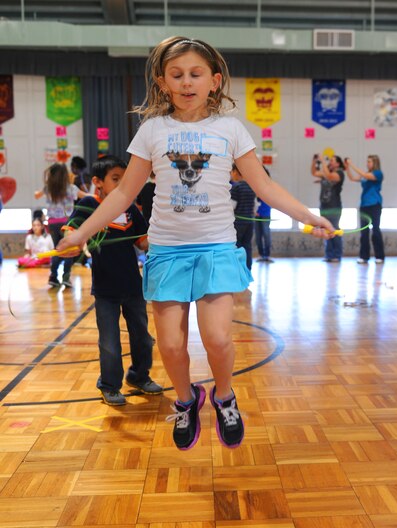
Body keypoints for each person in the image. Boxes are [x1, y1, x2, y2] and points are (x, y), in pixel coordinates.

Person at [56, 36, 334, 450]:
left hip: (216, 248)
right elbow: (122, 194)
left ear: (214, 80)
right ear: (163, 81)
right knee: (169, 345)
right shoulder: (152, 130)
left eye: (195, 74)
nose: (187, 82)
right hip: (167, 250)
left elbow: (264, 186)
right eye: (177, 75)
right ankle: (187, 401)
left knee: (219, 338)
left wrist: (309, 216)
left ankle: (224, 396)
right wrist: (80, 233)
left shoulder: (230, 129)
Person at [64, 155, 162, 406]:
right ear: (97, 182)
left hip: (133, 286)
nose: (121, 184)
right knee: (109, 342)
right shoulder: (88, 204)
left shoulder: (129, 208)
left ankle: (139, 376)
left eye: (124, 179)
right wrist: (70, 242)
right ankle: (109, 385)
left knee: (142, 337)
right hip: (105, 290)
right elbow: (71, 230)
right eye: (115, 179)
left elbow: (141, 243)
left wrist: (164, 234)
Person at [35, 163, 87, 287]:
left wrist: (36, 192)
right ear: (64, 175)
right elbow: (86, 197)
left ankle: (53, 276)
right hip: (66, 223)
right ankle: (66, 277)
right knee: (68, 250)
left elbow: (37, 196)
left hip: (52, 223)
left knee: (58, 250)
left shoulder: (48, 188)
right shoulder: (71, 188)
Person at [345, 155, 385, 264]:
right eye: (367, 161)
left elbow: (364, 175)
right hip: (364, 206)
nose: (367, 164)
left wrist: (352, 164)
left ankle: (379, 256)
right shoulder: (366, 175)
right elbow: (352, 178)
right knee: (364, 232)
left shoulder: (378, 174)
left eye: (369, 162)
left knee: (375, 230)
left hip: (375, 205)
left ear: (375, 163)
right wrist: (347, 167)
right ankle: (364, 256)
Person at [311, 154, 344, 262]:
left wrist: (323, 161)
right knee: (326, 230)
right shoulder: (326, 172)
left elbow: (329, 176)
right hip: (324, 206)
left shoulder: (339, 173)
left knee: (333, 229)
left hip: (334, 207)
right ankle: (329, 255)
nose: (330, 162)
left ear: (338, 163)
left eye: (333, 160)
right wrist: (315, 161)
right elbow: (314, 172)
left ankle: (337, 255)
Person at [231, 163, 257, 270]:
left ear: (236, 172)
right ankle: (247, 268)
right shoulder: (251, 187)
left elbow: (232, 206)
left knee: (237, 246)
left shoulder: (236, 187)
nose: (231, 175)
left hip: (238, 222)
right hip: (250, 221)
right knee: (247, 245)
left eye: (231, 172)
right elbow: (255, 206)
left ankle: (238, 269)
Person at [255, 166, 273, 263]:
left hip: (265, 213)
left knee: (266, 234)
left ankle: (267, 255)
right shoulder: (254, 184)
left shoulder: (268, 185)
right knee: (258, 235)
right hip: (256, 214)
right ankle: (261, 255)